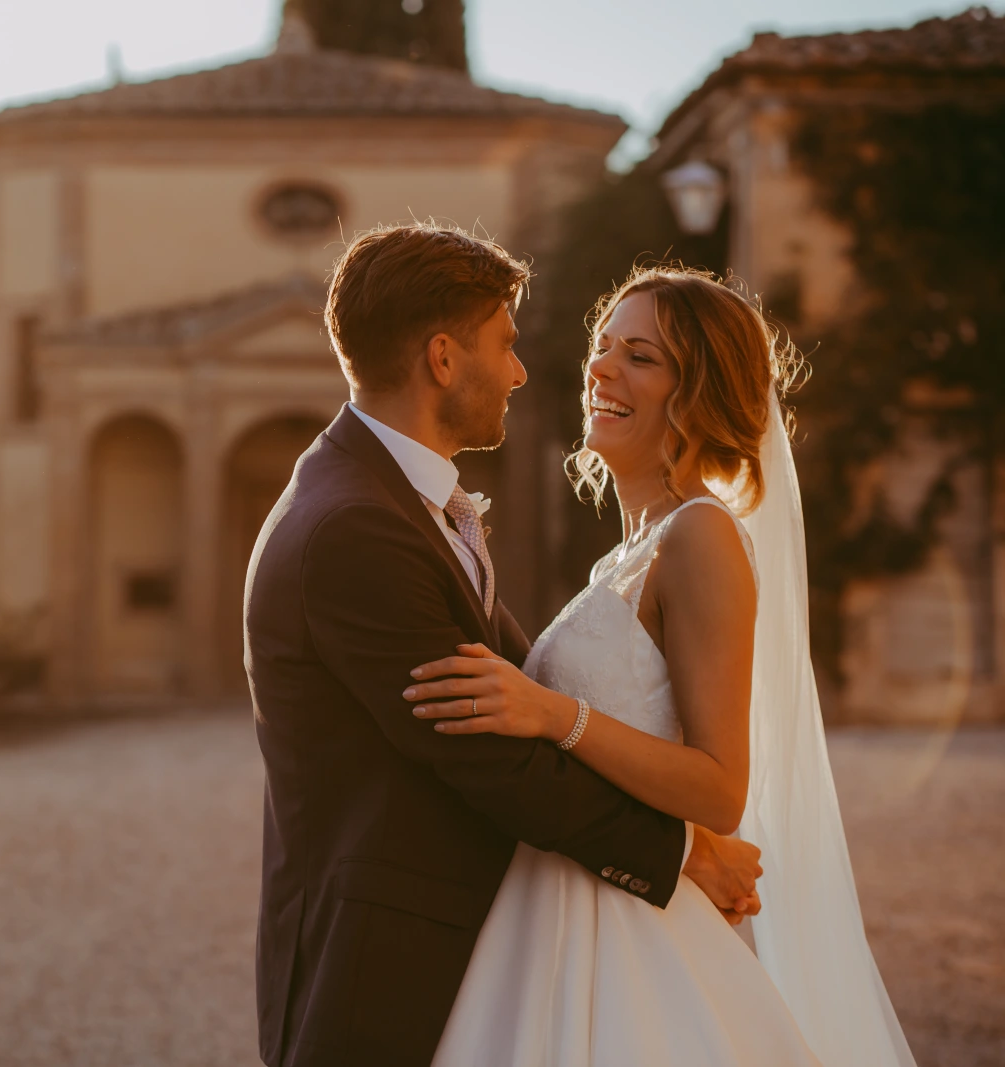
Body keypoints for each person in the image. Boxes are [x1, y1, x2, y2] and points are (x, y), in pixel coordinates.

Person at [246, 225, 768, 1067]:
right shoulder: (356, 524)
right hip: (391, 955)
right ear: (444, 359)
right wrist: (680, 855)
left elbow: (526, 702)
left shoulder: (399, 504)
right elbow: (485, 751)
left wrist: (558, 715)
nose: (529, 371)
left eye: (641, 355)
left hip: (567, 941)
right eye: (507, 344)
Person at [411, 266, 916, 1066]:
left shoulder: (701, 536)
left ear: (701, 392)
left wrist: (553, 715)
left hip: (629, 936)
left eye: (641, 357)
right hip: (549, 913)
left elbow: (719, 784)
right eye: (604, 347)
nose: (601, 368)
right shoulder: (626, 554)